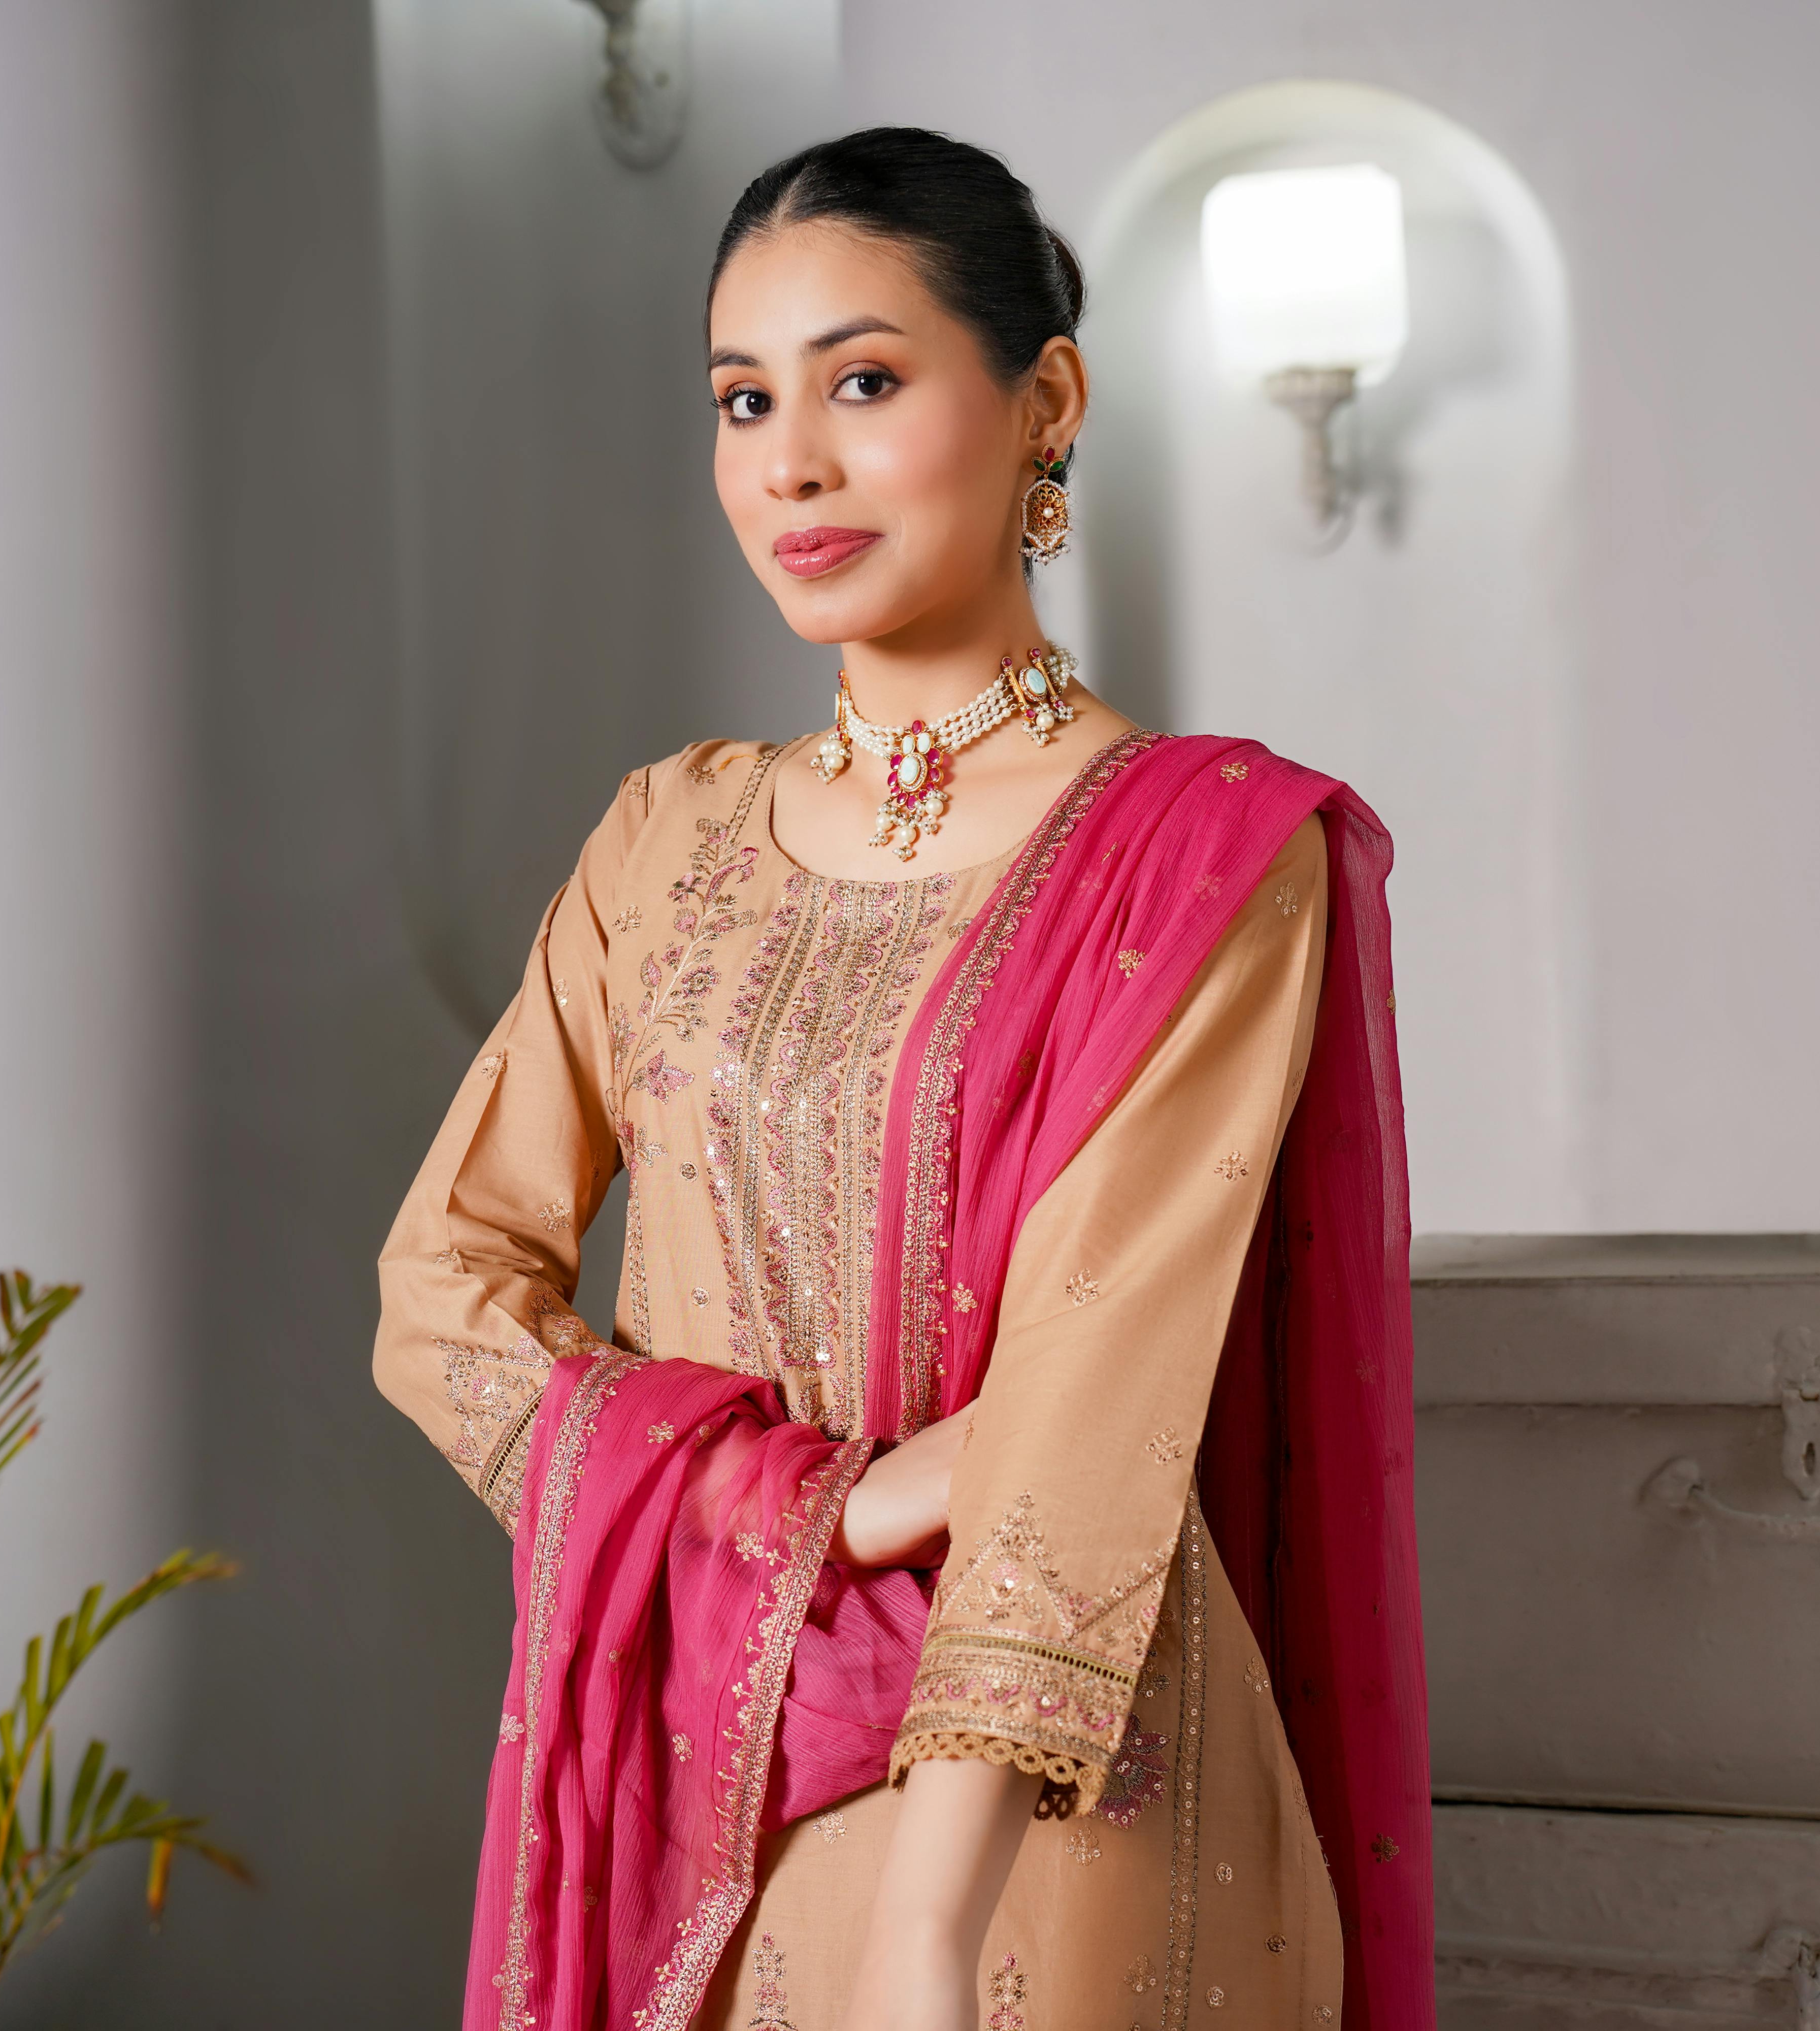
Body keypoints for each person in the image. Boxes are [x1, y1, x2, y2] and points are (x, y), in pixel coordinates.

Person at [374, 126, 1427, 2031]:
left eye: (865, 382)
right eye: (743, 400)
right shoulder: (662, 840)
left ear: (1048, 404)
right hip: (708, 1744)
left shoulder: (1202, 856)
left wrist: (931, 1939)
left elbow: (1090, 1413)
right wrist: (813, 1512)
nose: (791, 461)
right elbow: (441, 1302)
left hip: (1059, 1794)